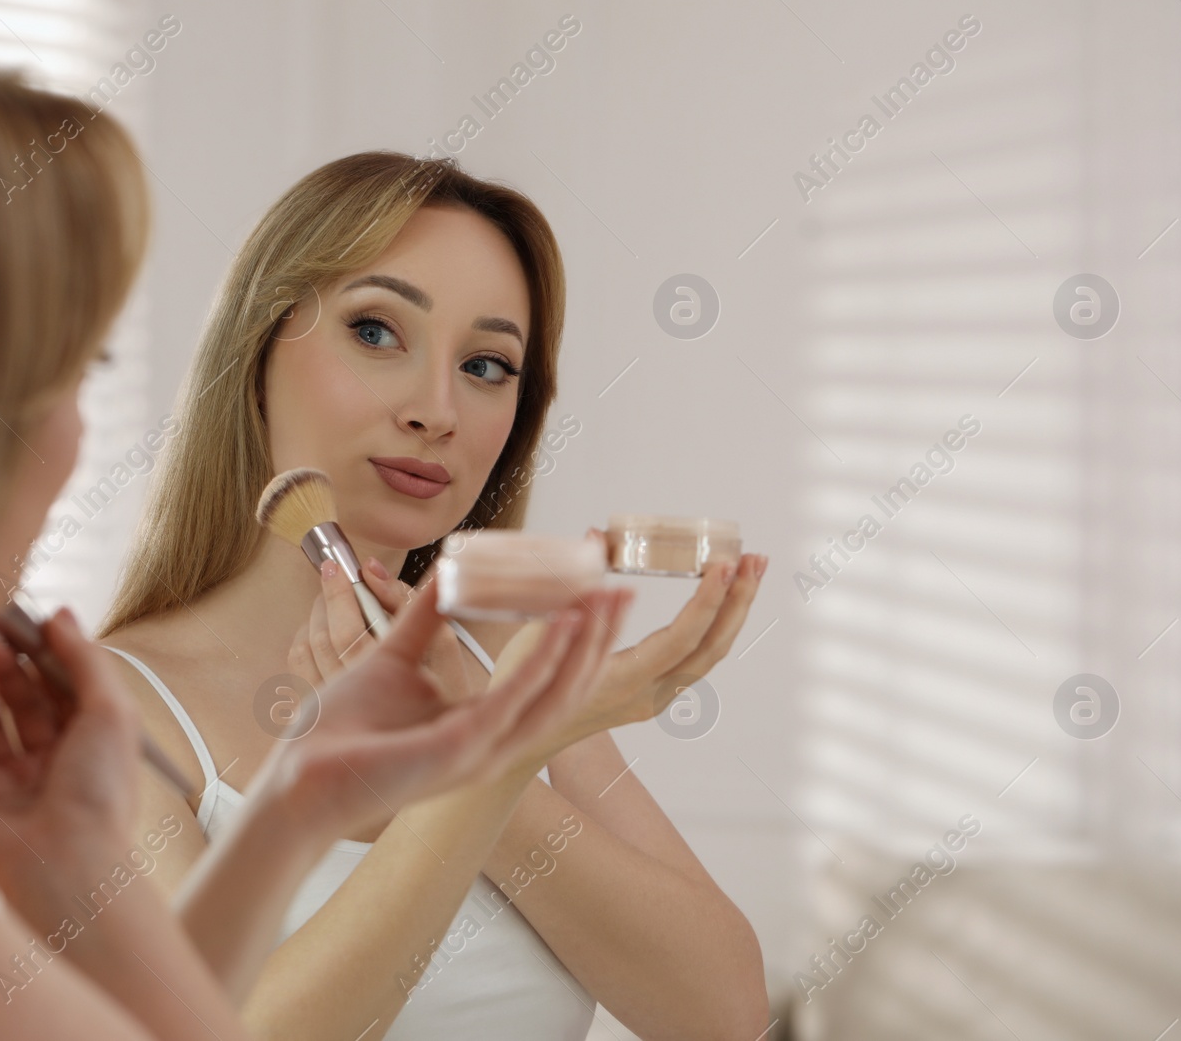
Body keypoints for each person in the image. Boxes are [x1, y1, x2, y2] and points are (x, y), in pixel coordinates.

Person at [0, 29, 633, 1039]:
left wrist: (287, 812)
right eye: (69, 368)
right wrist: (477, 766)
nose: (75, 431)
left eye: (488, 366)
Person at [97, 151, 772, 1039]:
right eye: (376, 331)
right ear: (255, 348)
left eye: (488, 365)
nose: (436, 408)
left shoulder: (500, 650)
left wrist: (475, 745)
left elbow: (722, 1010)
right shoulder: (110, 710)